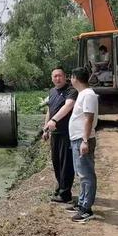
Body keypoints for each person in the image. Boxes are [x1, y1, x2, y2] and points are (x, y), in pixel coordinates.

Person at [67, 67, 99, 223]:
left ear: (75, 78)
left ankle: (87, 209)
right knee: (81, 174)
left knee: (86, 175)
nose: (70, 79)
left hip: (82, 140)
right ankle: (81, 203)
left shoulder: (88, 95)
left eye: (71, 76)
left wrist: (85, 141)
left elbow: (88, 119)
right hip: (77, 139)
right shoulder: (82, 94)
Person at [42, 67, 78, 204]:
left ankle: (65, 194)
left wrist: (54, 120)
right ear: (52, 78)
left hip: (66, 132)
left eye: (60, 76)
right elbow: (49, 111)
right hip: (54, 133)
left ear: (65, 77)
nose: (58, 78)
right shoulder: (52, 92)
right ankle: (60, 186)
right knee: (56, 162)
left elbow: (68, 106)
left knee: (66, 163)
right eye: (55, 76)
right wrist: (45, 129)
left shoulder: (71, 91)